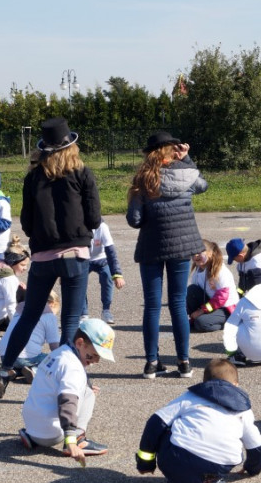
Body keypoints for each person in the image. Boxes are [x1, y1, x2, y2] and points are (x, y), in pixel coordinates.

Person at [0, 117, 102, 398]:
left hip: (42, 256)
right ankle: (73, 382)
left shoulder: (33, 178)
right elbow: (95, 218)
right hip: (75, 253)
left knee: (28, 317)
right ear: (71, 146)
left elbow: (26, 221)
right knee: (70, 320)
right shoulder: (82, 173)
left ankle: (4, 370)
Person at [127, 130, 208, 379]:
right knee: (177, 303)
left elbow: (134, 220)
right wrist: (187, 160)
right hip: (182, 247)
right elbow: (202, 186)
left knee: (152, 305)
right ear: (172, 151)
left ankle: (151, 363)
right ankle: (184, 362)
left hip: (152, 246)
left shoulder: (143, 178)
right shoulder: (186, 174)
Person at [135, 358, 261, 483]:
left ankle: (177, 482)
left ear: (205, 382)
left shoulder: (190, 397)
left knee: (168, 426)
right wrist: (253, 468)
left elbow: (155, 423)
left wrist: (145, 463)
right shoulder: (243, 411)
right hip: (219, 464)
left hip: (177, 459)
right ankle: (212, 482)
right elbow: (257, 446)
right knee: (227, 450)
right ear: (236, 385)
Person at [17, 318, 116, 466]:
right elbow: (67, 401)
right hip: (53, 433)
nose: (96, 361)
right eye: (94, 355)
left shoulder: (58, 353)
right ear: (80, 343)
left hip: (32, 424)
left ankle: (32, 436)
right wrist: (70, 440)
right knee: (88, 394)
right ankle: (79, 439)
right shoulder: (74, 367)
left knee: (84, 389)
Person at [0, 291, 61, 382]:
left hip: (5, 355)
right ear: (52, 304)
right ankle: (34, 370)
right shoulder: (49, 316)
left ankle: (14, 371)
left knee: (21, 361)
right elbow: (54, 347)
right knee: (52, 361)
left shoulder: (20, 310)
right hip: (26, 357)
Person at [187, 239, 238, 333]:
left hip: (225, 309)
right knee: (190, 291)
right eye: (193, 253)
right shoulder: (198, 270)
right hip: (211, 304)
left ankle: (227, 321)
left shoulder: (220, 270)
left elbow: (222, 298)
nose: (195, 256)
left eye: (199, 253)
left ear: (210, 253)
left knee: (201, 323)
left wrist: (201, 311)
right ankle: (200, 318)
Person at [81, 219, 126, 325]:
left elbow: (111, 251)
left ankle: (106, 310)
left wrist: (117, 274)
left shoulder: (102, 227)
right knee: (78, 282)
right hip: (83, 259)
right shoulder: (78, 223)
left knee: (107, 277)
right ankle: (83, 313)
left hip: (101, 259)